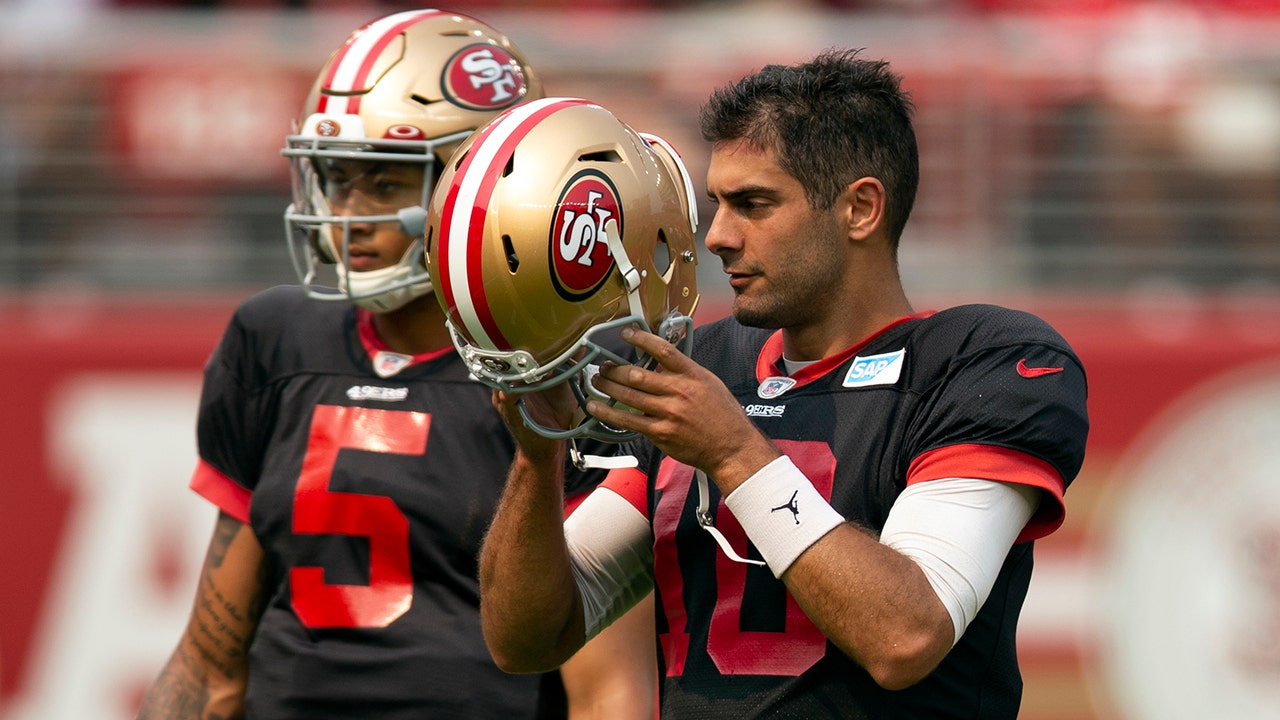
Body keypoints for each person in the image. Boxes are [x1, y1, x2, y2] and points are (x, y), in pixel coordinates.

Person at [474, 49, 1090, 719]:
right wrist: (537, 457)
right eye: (716, 203)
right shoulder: (705, 362)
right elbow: (524, 640)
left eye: (753, 204)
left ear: (860, 209)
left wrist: (734, 454)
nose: (718, 236)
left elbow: (905, 637)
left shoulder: (980, 362)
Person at [136, 10, 654, 720]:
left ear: (480, 187)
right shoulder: (275, 340)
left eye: (384, 184)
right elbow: (209, 663)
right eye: (335, 177)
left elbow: (608, 687)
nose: (348, 213)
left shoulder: (572, 363)